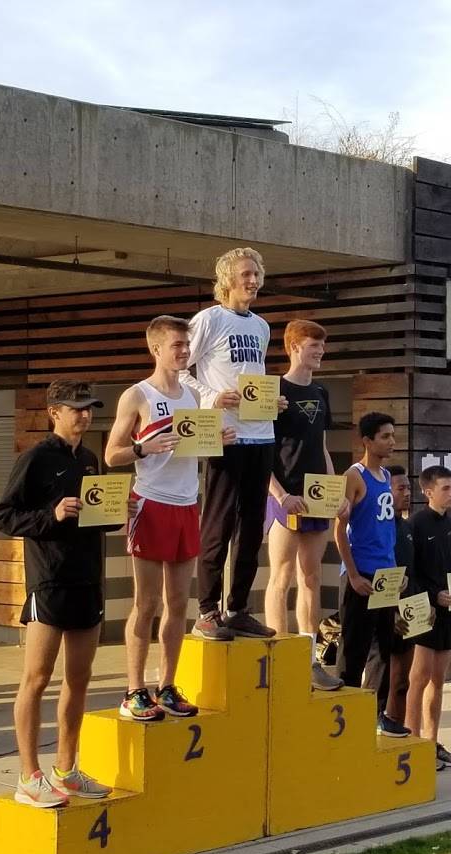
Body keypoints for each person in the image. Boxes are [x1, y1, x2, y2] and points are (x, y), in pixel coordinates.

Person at [0, 380, 116, 807]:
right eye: (76, 407)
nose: (84, 414)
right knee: (37, 678)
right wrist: (53, 513)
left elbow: (96, 517)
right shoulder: (35, 459)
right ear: (54, 412)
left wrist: (118, 512)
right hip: (48, 582)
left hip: (88, 581)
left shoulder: (90, 459)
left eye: (90, 407)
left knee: (79, 680)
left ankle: (67, 770)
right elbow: (5, 517)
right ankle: (29, 777)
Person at [106, 316, 232, 721]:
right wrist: (144, 448)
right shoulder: (137, 395)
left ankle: (167, 685)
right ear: (156, 348)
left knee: (179, 602)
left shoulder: (192, 397)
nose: (184, 351)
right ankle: (133, 689)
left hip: (185, 504)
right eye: (177, 345)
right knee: (146, 603)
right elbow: (112, 455)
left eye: (187, 345)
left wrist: (217, 441)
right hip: (151, 503)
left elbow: (194, 449)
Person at [180, 247, 284, 641]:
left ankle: (238, 607)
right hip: (225, 435)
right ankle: (207, 610)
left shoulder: (261, 326)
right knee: (218, 523)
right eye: (245, 274)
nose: (253, 282)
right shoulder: (208, 319)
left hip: (261, 434)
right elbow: (180, 370)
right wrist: (211, 396)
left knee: (252, 526)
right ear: (226, 279)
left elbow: (252, 379)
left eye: (257, 275)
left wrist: (273, 402)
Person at [264, 319, 347, 691]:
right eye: (315, 346)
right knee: (281, 575)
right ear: (295, 346)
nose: (320, 352)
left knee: (311, 576)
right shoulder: (275, 389)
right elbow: (262, 448)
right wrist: (280, 494)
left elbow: (323, 447)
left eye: (323, 347)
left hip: (314, 495)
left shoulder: (321, 390)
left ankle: (308, 655)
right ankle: (280, 653)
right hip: (285, 493)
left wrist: (334, 490)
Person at [334, 413, 398, 701]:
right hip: (362, 573)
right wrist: (353, 574)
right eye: (385, 436)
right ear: (367, 441)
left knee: (383, 649)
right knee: (353, 649)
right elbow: (340, 530)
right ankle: (344, 710)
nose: (391, 441)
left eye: (392, 435)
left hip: (386, 572)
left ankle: (375, 713)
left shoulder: (386, 476)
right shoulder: (353, 475)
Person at [405, 466, 451, 770]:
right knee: (419, 678)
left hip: (447, 611)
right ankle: (413, 741)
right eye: (445, 487)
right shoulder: (415, 524)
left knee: (439, 680)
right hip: (423, 611)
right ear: (428, 491)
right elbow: (410, 574)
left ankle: (431, 740)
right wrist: (432, 595)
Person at [373, 464, 415, 736]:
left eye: (409, 488)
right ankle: (374, 718)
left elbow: (413, 572)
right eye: (400, 488)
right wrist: (392, 611)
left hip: (408, 611)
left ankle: (396, 726)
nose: (407, 493)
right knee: (380, 671)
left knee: (402, 681)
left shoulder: (407, 527)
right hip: (384, 610)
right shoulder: (379, 527)